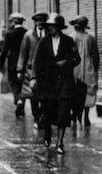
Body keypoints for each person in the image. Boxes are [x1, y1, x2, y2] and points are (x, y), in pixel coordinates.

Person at [33, 14, 80, 154]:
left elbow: (77, 59)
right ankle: (47, 132)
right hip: (47, 83)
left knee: (63, 112)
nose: (51, 29)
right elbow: (36, 61)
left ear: (59, 27)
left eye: (53, 26)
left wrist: (66, 62)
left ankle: (60, 142)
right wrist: (34, 78)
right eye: (49, 27)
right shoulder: (43, 42)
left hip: (65, 82)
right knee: (47, 111)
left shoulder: (68, 41)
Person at [17, 12, 48, 126]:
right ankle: (36, 117)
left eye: (42, 21)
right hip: (31, 70)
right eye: (38, 21)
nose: (40, 24)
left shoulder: (49, 34)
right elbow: (22, 53)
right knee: (33, 95)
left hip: (45, 70)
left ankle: (43, 116)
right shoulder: (28, 35)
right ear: (35, 23)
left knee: (44, 95)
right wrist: (20, 70)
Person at [69, 16, 99, 128]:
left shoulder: (70, 37)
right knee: (88, 91)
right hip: (87, 68)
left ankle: (73, 115)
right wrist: (95, 70)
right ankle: (86, 116)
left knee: (73, 90)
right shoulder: (90, 38)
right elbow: (95, 56)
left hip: (74, 68)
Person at [0, 13, 28, 117]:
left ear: (13, 21)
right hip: (24, 62)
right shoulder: (27, 33)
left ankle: (18, 100)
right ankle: (22, 106)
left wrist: (1, 65)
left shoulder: (9, 34)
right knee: (22, 84)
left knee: (14, 83)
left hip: (12, 62)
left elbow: (4, 50)